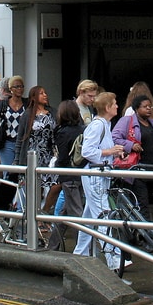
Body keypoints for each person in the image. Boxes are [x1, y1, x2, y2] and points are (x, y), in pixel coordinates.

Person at [73, 92, 128, 270]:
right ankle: (115, 262)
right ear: (107, 107)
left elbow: (100, 149)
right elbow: (88, 151)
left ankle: (79, 256)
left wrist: (113, 151)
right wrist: (111, 152)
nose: (117, 106)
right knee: (103, 217)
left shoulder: (104, 124)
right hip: (95, 176)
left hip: (99, 175)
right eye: (114, 104)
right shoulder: (98, 125)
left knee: (90, 218)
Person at [112, 93, 153, 216]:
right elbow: (115, 137)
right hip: (137, 172)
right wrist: (130, 145)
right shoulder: (127, 121)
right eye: (145, 106)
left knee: (148, 205)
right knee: (142, 205)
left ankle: (140, 231)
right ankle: (144, 233)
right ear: (137, 109)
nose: (149, 109)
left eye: (150, 106)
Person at [16, 85, 61, 213]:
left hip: (49, 155)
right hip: (33, 155)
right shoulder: (28, 114)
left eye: (45, 92)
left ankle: (44, 211)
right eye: (41, 93)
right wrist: (17, 160)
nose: (45, 95)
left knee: (55, 184)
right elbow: (21, 138)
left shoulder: (53, 112)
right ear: (34, 97)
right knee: (36, 188)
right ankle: (35, 216)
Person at [48, 99, 86, 251]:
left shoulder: (62, 132)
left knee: (76, 212)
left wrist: (57, 169)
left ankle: (83, 247)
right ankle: (53, 245)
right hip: (81, 173)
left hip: (68, 175)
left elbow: (62, 156)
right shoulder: (83, 129)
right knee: (65, 211)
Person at [0, 75, 26, 166]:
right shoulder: (3, 104)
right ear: (11, 89)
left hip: (23, 144)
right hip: (7, 143)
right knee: (8, 172)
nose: (20, 89)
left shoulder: (26, 104)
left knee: (22, 171)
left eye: (21, 86)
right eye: (17, 87)